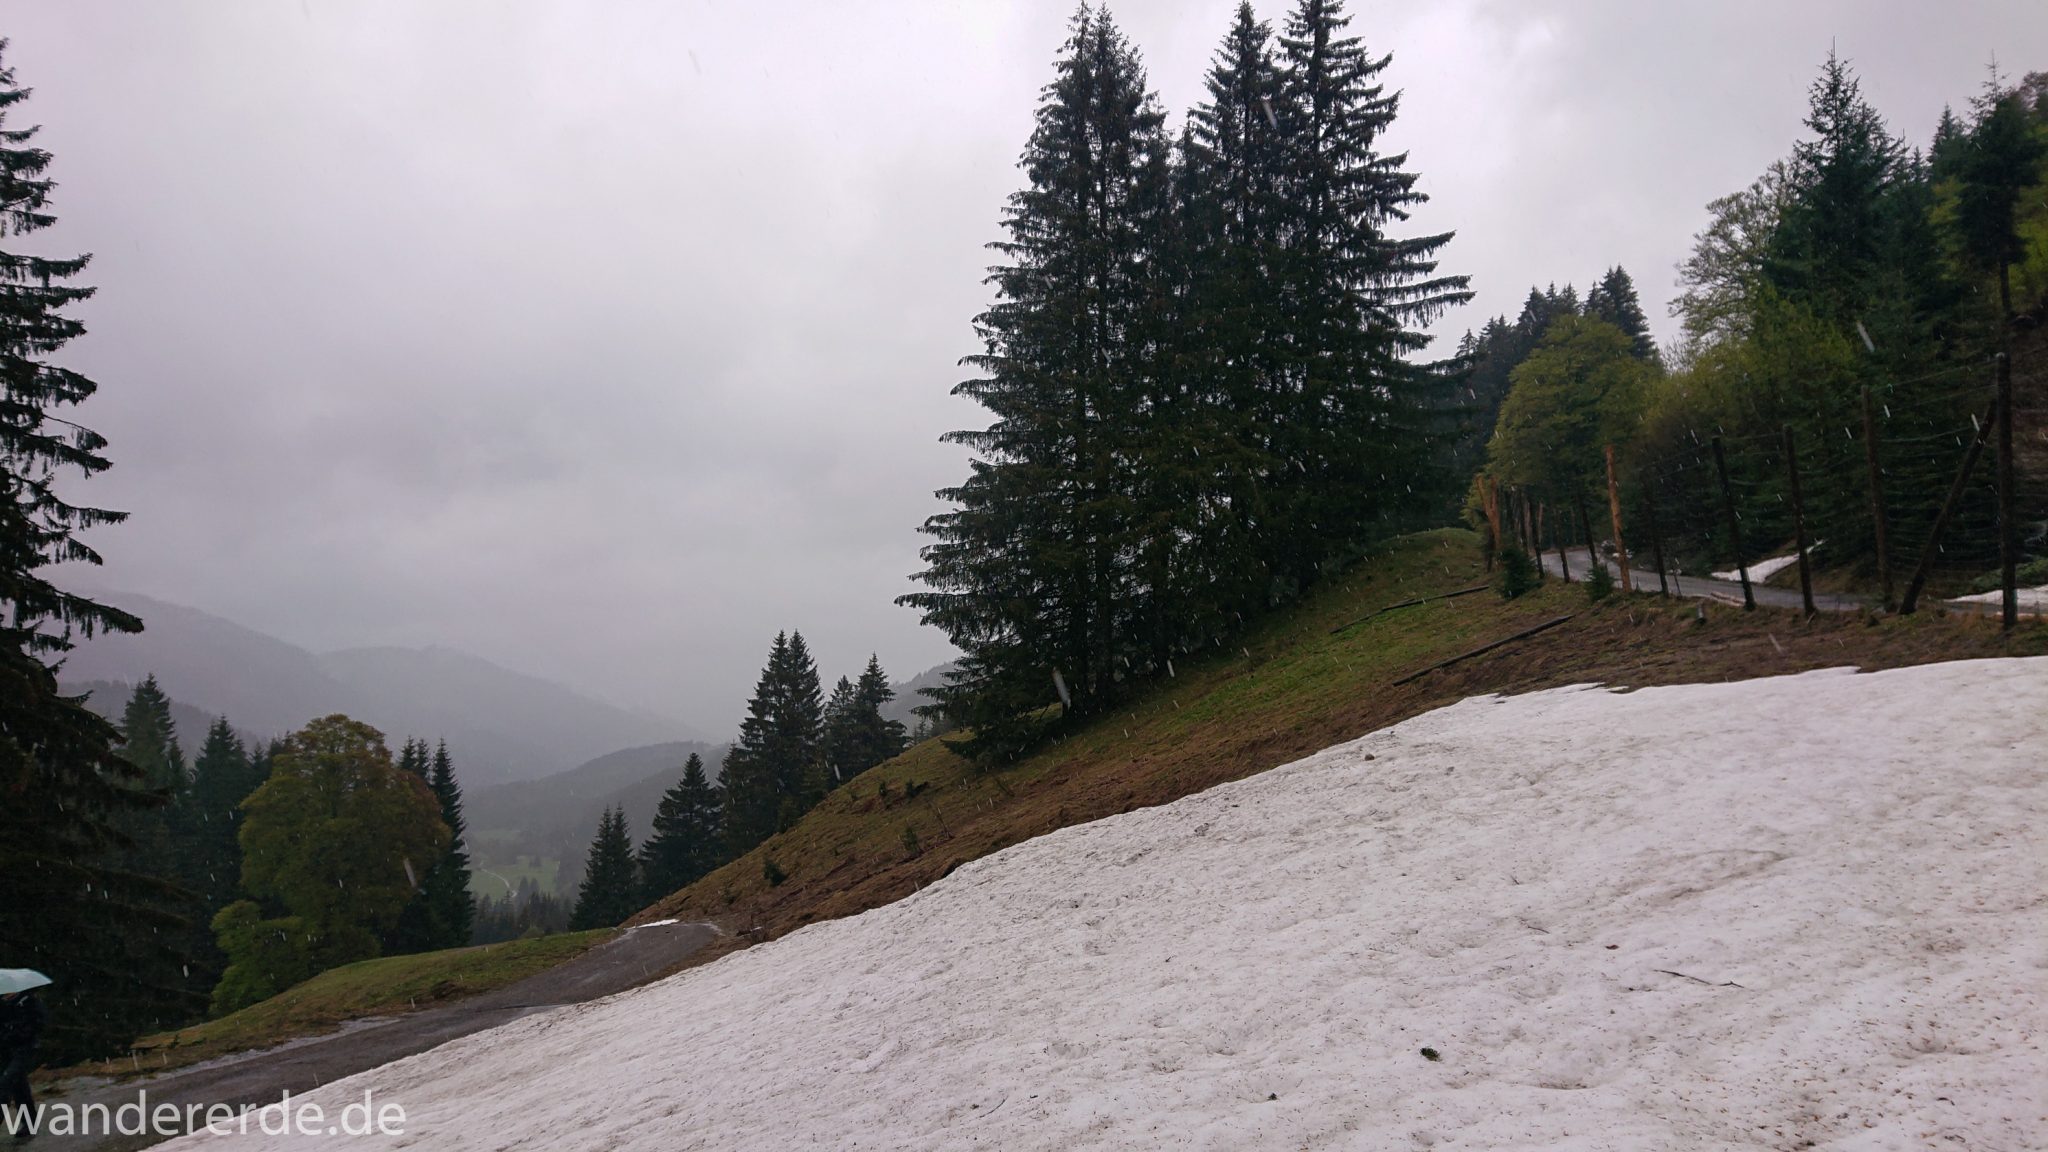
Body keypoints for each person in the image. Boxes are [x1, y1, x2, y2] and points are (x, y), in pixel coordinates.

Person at [0, 988, 44, 1142]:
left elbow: (37, 1024)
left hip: (25, 1049)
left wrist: (17, 1031)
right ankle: (30, 1123)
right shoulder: (4, 1004)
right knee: (19, 1087)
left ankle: (29, 1123)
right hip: (6, 1051)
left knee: (6, 1083)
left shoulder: (29, 1002)